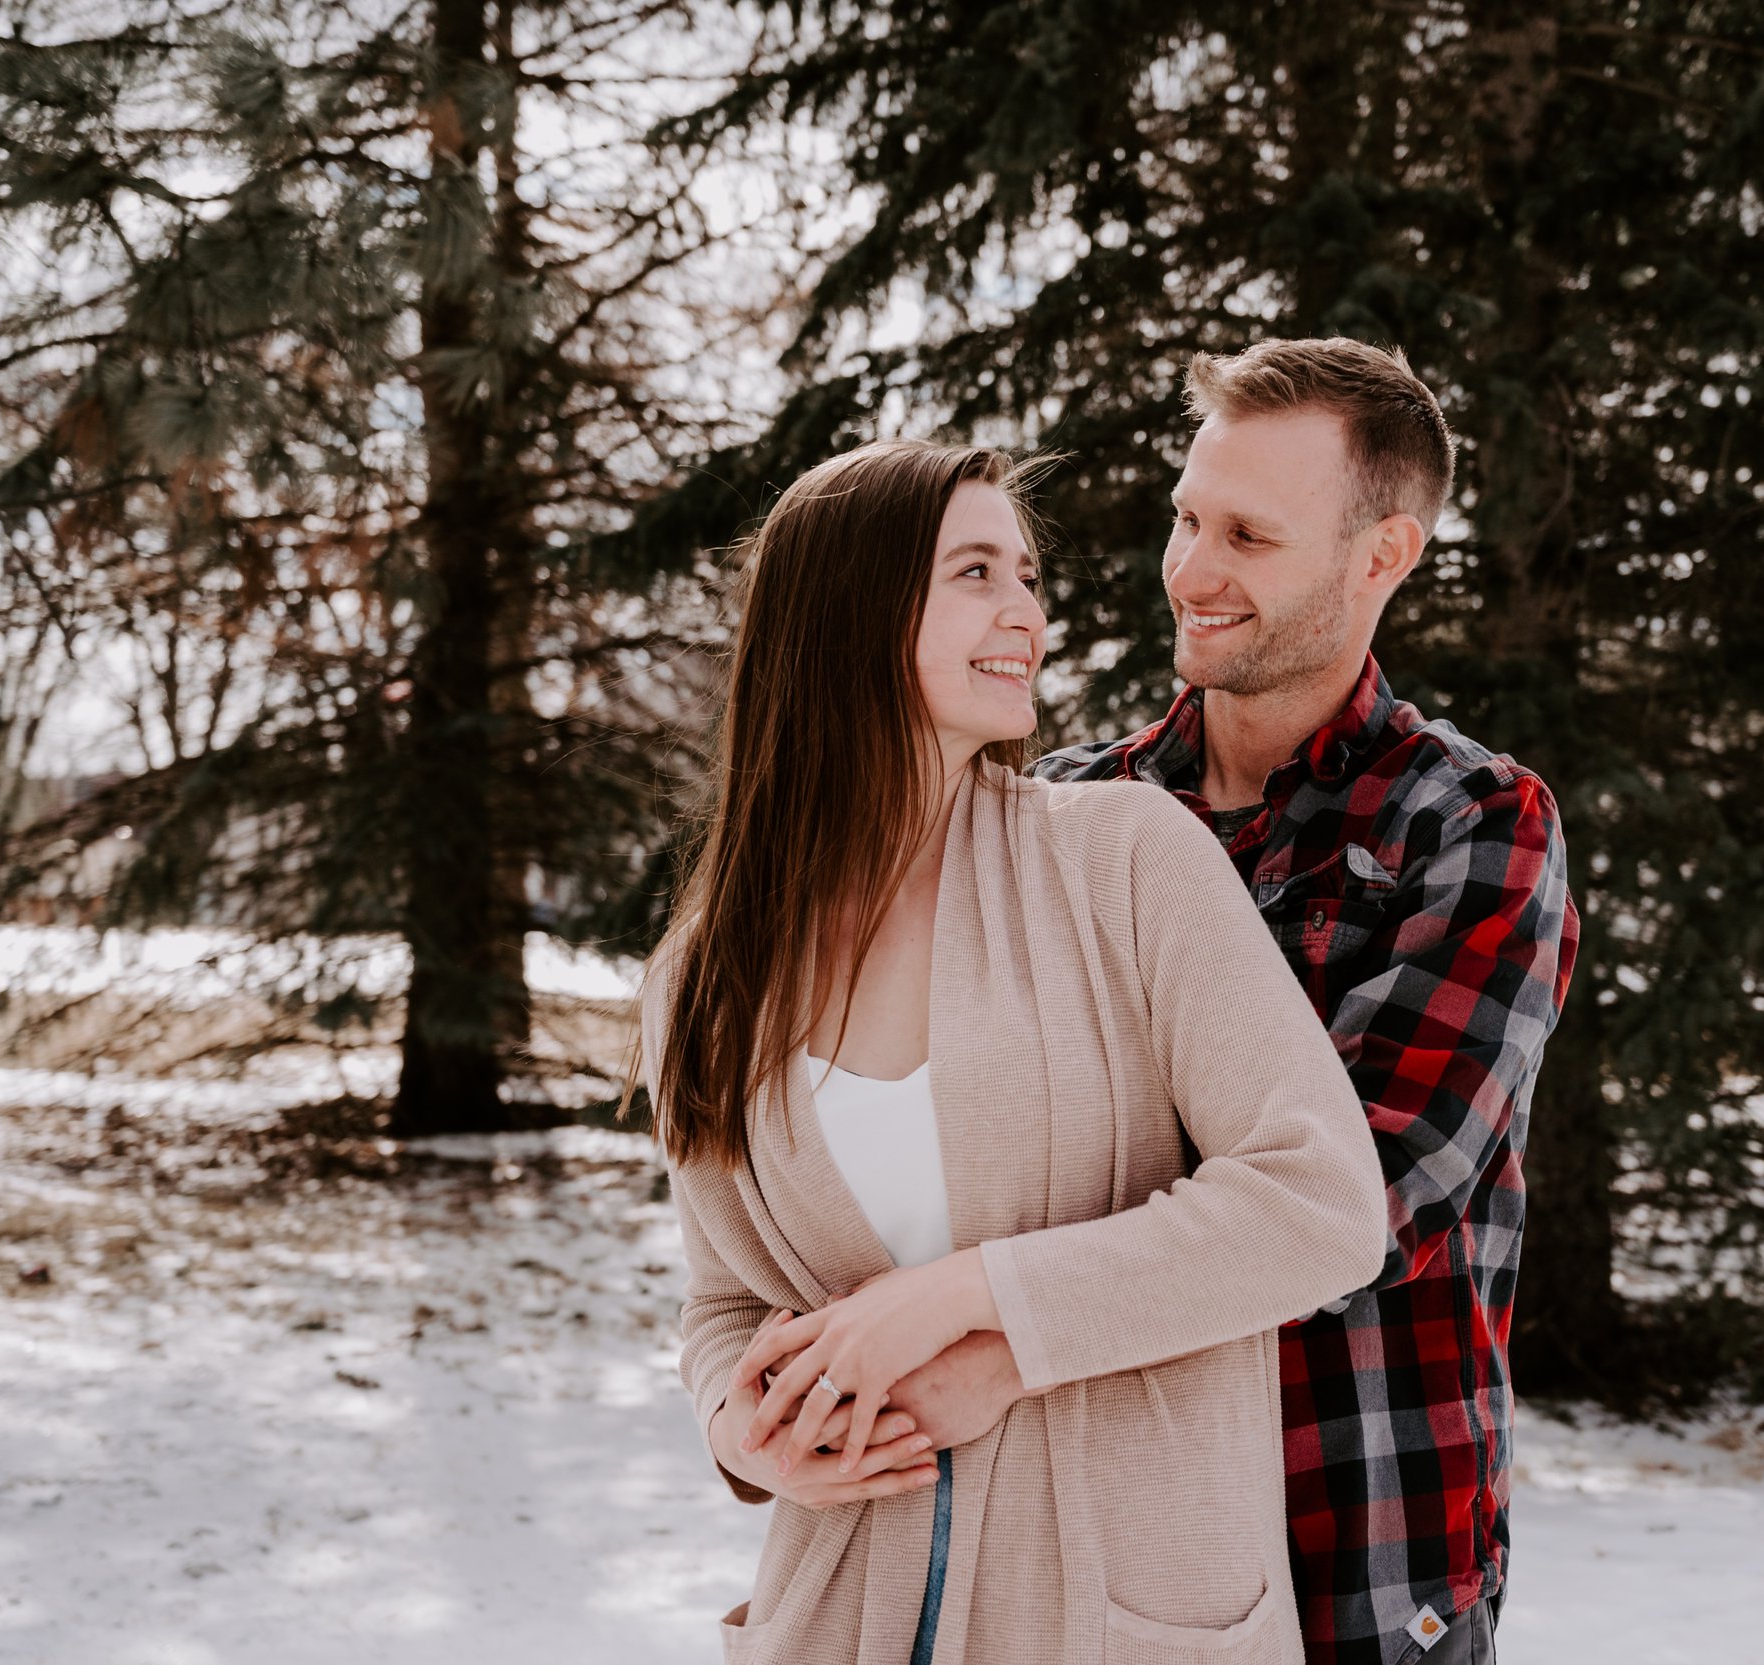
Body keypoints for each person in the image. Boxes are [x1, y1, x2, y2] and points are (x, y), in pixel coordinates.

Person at [634, 437, 1389, 1665]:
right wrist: (741, 1430)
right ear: (848, 611)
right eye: (977, 573)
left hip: (1124, 1610)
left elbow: (1320, 1204)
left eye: (1027, 577)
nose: (1027, 615)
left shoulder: (1123, 859)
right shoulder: (705, 977)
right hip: (845, 1608)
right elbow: (725, 1299)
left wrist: (966, 1301)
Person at [892, 339, 1577, 1664]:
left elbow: (1354, 1203)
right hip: (1083, 1540)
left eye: (1249, 537)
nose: (1191, 570)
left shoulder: (1472, 826)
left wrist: (1009, 1338)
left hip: (1351, 1547)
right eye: (1187, 518)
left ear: (1382, 556)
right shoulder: (1058, 817)